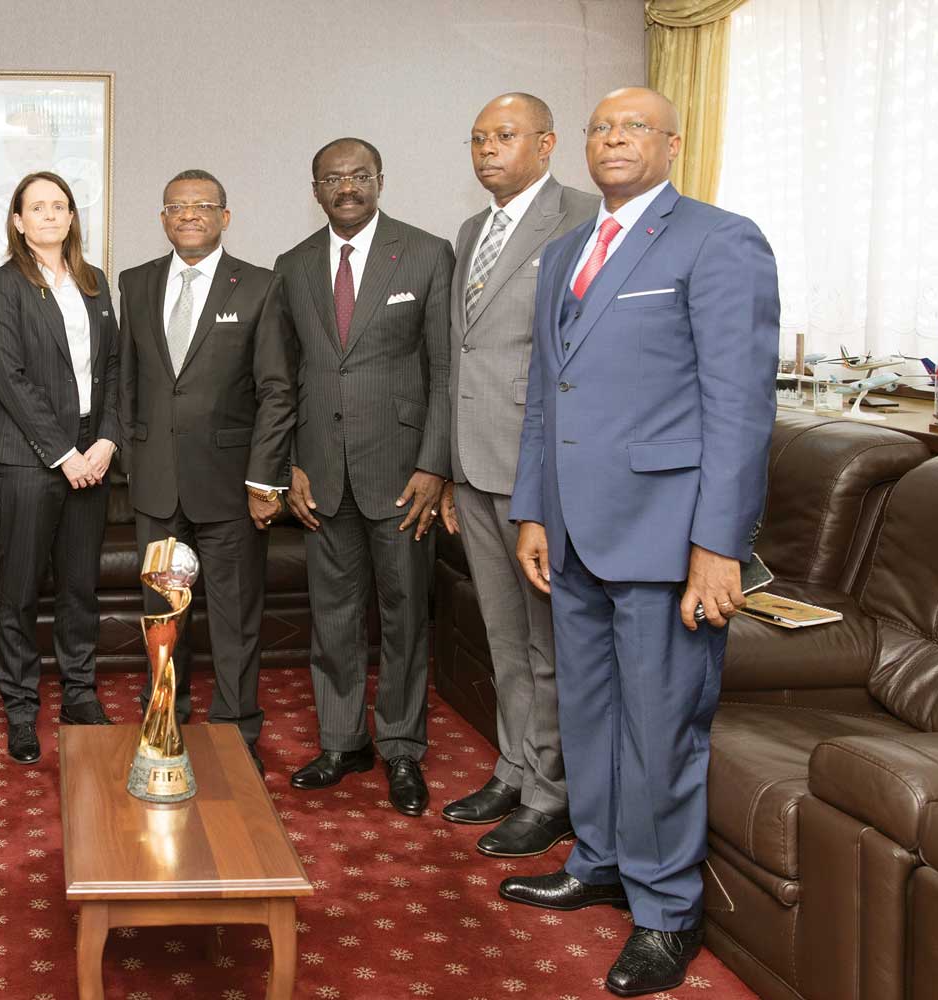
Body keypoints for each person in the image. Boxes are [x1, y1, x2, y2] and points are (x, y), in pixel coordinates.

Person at [500, 87, 778, 996]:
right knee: (590, 714)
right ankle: (602, 860)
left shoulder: (719, 238)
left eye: (634, 128)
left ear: (672, 142)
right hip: (575, 533)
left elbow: (738, 407)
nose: (614, 139)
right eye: (600, 128)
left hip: (668, 537)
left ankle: (664, 912)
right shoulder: (563, 254)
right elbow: (548, 395)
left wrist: (718, 545)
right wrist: (535, 509)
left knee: (661, 731)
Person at [437, 94, 598, 856]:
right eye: (478, 139)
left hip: (540, 469)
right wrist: (443, 466)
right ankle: (514, 767)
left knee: (549, 643)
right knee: (503, 638)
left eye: (504, 136)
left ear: (547, 143)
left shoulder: (584, 217)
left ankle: (553, 792)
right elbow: (460, 354)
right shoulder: (473, 230)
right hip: (473, 464)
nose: (487, 150)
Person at [275, 138, 453, 815]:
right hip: (320, 472)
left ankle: (403, 747)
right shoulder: (292, 266)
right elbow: (284, 378)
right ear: (315, 188)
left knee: (405, 613)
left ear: (379, 179)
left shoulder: (427, 252)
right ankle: (342, 740)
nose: (345, 187)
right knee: (333, 614)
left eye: (357, 176)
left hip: (401, 473)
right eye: (331, 178)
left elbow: (443, 368)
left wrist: (435, 464)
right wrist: (288, 462)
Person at [117, 169, 296, 774]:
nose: (188, 214)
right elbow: (128, 383)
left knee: (234, 613)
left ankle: (237, 727)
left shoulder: (263, 286)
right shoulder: (136, 283)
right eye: (176, 206)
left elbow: (276, 390)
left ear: (226, 216)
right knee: (163, 612)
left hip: (230, 485)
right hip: (158, 484)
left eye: (203, 205)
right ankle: (165, 709)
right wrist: (133, 463)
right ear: (163, 218)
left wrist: (265, 478)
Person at [0, 171, 120, 763]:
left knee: (79, 586)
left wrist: (108, 439)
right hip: (31, 459)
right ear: (17, 220)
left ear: (72, 217)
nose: (49, 215)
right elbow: (10, 381)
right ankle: (19, 709)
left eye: (59, 206)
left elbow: (115, 369)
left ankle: (80, 694)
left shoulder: (94, 282)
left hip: (94, 454)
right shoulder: (4, 286)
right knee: (19, 592)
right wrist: (64, 455)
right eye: (37, 207)